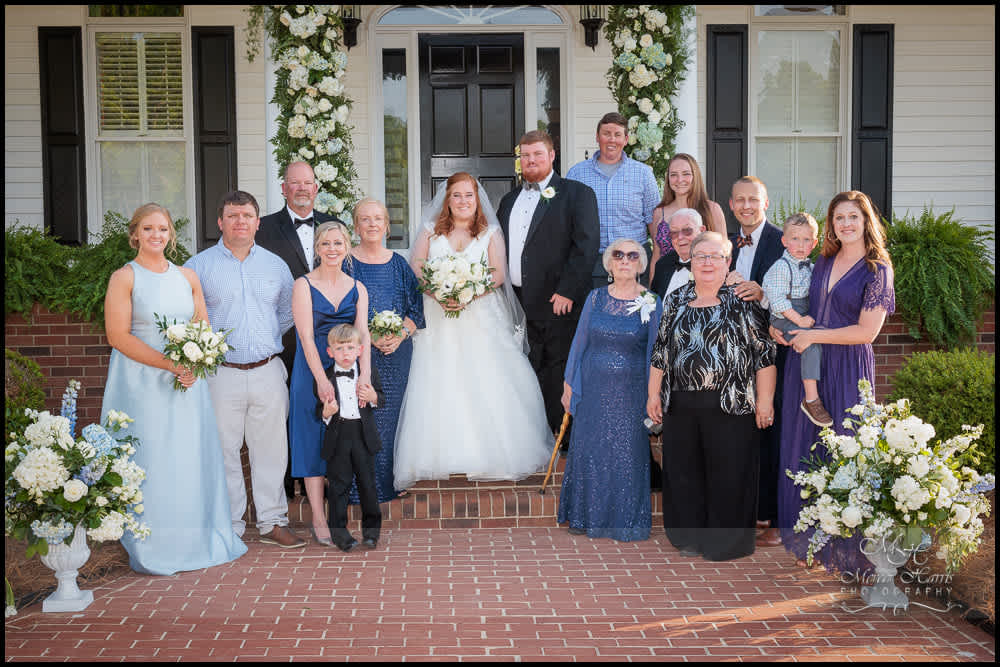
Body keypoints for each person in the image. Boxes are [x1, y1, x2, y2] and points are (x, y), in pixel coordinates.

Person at [102, 203, 247, 575]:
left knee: (186, 457)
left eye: (163, 229)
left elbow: (203, 329)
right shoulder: (124, 277)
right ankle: (150, 542)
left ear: (171, 235)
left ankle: (193, 539)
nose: (156, 235)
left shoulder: (188, 276)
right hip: (141, 384)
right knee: (151, 457)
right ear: (135, 234)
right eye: (148, 229)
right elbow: (117, 336)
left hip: (187, 383)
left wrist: (195, 365)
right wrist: (170, 364)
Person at [394, 172, 553, 489]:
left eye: (469, 195)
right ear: (447, 200)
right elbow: (416, 269)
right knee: (438, 379)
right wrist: (439, 292)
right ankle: (437, 455)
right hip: (437, 316)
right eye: (456, 195)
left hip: (480, 314)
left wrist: (467, 293)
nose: (463, 201)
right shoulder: (430, 231)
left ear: (477, 199)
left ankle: (489, 453)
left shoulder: (490, 232)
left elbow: (498, 274)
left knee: (484, 377)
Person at [776, 190, 895, 572]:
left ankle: (847, 550)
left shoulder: (878, 269)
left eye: (853, 217)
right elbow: (800, 305)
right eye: (839, 217)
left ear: (866, 221)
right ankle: (809, 543)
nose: (845, 224)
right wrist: (781, 328)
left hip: (847, 365)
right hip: (807, 364)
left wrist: (815, 336)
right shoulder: (823, 260)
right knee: (805, 447)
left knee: (846, 449)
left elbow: (866, 332)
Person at [186, 191, 305, 548]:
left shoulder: (275, 265)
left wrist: (264, 338)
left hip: (268, 369)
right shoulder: (198, 267)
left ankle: (273, 522)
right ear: (220, 222)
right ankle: (230, 526)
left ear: (257, 223)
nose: (240, 221)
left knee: (271, 450)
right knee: (223, 451)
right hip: (220, 373)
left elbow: (288, 311)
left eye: (247, 215)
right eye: (233, 215)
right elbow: (188, 317)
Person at [647, 231, 776, 561]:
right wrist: (653, 394)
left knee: (729, 473)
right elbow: (661, 351)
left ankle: (725, 543)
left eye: (715, 256)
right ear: (691, 262)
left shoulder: (743, 300)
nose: (707, 262)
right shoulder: (675, 300)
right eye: (700, 256)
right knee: (684, 473)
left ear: (727, 262)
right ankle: (688, 538)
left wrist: (764, 401)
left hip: (732, 403)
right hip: (681, 403)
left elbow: (764, 355)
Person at [497, 129, 600, 440]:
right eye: (525, 155)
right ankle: (535, 435)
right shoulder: (509, 200)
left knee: (559, 369)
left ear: (552, 155)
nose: (530, 160)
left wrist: (568, 290)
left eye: (537, 154)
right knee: (527, 369)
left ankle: (564, 439)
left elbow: (586, 246)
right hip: (517, 302)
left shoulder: (577, 193)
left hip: (558, 300)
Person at [557, 238, 662, 541]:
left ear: (641, 264)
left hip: (631, 392)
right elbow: (580, 342)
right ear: (609, 264)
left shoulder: (651, 301)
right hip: (592, 389)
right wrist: (569, 384)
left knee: (627, 453)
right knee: (591, 450)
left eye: (632, 255)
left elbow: (656, 352)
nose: (625, 260)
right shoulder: (595, 298)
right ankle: (585, 516)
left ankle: (624, 519)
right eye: (618, 255)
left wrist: (653, 394)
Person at [256, 161, 342, 498]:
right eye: (295, 183)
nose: (302, 188)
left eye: (307, 183)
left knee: (328, 404)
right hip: (284, 335)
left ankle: (325, 476)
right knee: (286, 408)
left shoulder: (333, 225)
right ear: (284, 189)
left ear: (316, 188)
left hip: (329, 335)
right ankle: (288, 478)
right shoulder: (263, 228)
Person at [288, 221, 372, 547]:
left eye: (338, 243)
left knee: (343, 441)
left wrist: (364, 375)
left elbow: (363, 335)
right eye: (325, 243)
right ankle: (318, 519)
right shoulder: (303, 285)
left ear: (347, 247)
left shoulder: (358, 288)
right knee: (311, 440)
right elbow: (306, 337)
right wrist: (322, 380)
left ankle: (339, 517)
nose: (332, 249)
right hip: (310, 370)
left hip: (346, 368)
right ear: (317, 248)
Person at [348, 197, 425, 500]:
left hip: (396, 354)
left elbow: (416, 310)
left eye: (378, 219)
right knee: (358, 416)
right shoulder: (345, 263)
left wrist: (400, 335)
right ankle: (357, 488)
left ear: (387, 226)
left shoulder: (399, 265)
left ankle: (387, 482)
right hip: (355, 352)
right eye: (365, 219)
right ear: (356, 226)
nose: (372, 224)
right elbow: (337, 309)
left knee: (390, 417)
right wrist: (368, 336)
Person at [726, 175, 787, 547]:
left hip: (773, 352)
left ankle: (776, 517)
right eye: (740, 200)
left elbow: (800, 293)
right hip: (735, 356)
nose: (746, 206)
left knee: (772, 431)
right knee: (742, 435)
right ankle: (751, 512)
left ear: (765, 203)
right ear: (731, 204)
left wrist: (763, 294)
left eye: (754, 199)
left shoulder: (783, 241)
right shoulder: (726, 244)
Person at [565, 112, 660, 287]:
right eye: (606, 134)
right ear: (597, 137)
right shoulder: (577, 174)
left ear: (626, 139)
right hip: (592, 263)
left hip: (634, 262)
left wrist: (656, 260)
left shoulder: (643, 173)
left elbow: (654, 220)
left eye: (617, 135)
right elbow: (567, 222)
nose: (612, 139)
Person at [761, 213, 832, 427]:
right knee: (810, 342)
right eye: (795, 239)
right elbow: (777, 302)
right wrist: (800, 321)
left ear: (815, 243)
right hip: (784, 316)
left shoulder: (811, 267)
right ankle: (811, 399)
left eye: (806, 239)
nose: (801, 245)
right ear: (784, 241)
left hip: (800, 312)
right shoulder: (781, 267)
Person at [318, 324, 384, 552]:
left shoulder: (367, 373)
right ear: (330, 352)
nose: (345, 354)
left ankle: (371, 533)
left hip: (363, 436)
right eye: (339, 349)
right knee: (338, 488)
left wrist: (373, 396)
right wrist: (326, 413)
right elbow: (318, 410)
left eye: (349, 348)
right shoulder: (325, 378)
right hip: (338, 437)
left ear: (360, 350)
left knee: (368, 486)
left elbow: (381, 398)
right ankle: (340, 536)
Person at [649, 153, 727, 282]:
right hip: (667, 282)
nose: (680, 180)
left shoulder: (712, 209)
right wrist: (652, 291)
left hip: (704, 282)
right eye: (673, 175)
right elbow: (656, 257)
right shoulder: (659, 212)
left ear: (695, 176)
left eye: (686, 174)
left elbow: (724, 253)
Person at [649, 208, 705, 300]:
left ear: (701, 231)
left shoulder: (713, 265)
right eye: (674, 233)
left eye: (687, 230)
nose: (680, 237)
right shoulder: (663, 264)